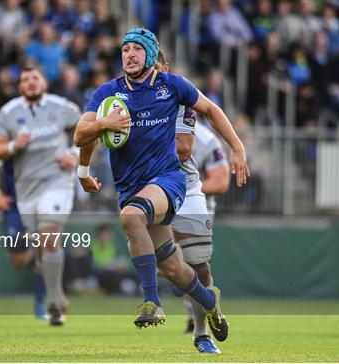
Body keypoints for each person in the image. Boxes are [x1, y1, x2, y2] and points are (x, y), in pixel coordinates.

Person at [74, 28, 249, 332]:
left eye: (137, 49)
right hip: (130, 186)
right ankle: (209, 302)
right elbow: (81, 135)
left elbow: (210, 109)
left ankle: (152, 302)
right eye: (125, 49)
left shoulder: (172, 86)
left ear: (151, 54)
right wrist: (87, 163)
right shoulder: (108, 93)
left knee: (130, 218)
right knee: (172, 267)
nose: (129, 54)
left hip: (167, 179)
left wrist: (238, 147)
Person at [0, 65, 80, 326]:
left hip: (57, 181)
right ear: (19, 87)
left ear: (45, 83)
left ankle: (52, 302)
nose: (30, 83)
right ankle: (58, 294)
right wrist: (11, 146)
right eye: (25, 79)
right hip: (26, 190)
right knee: (40, 249)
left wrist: (74, 155)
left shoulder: (62, 106)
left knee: (50, 236)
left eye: (35, 78)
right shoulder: (8, 113)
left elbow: (87, 133)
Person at [155, 51, 230, 353]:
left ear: (166, 70)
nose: (152, 76)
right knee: (174, 268)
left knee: (198, 268)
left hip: (188, 191)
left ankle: (202, 334)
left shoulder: (188, 112)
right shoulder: (128, 106)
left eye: (156, 69)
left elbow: (189, 155)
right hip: (151, 191)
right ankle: (186, 287)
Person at [0, 155, 46, 319]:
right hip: (14, 207)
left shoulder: (48, 138)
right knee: (19, 261)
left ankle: (40, 303)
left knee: (43, 253)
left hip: (39, 204)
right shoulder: (9, 139)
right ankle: (35, 248)